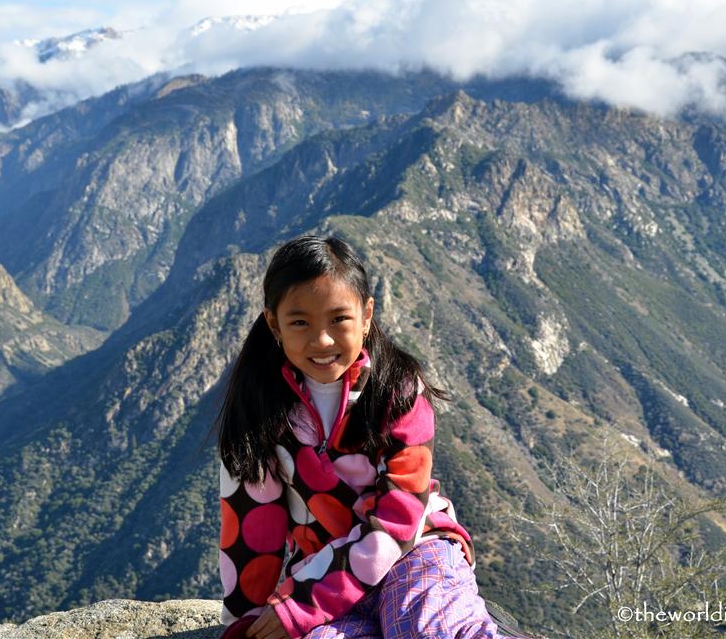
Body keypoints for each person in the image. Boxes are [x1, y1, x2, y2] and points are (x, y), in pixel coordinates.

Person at [216, 235, 524, 639]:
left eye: (339, 319)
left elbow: (399, 518)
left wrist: (306, 605)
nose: (322, 339)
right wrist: (243, 627)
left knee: (425, 629)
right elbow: (252, 528)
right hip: (326, 573)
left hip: (414, 551)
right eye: (300, 322)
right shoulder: (259, 410)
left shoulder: (397, 392)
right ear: (273, 323)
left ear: (366, 316)